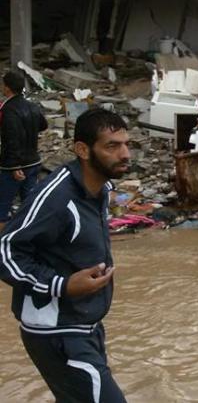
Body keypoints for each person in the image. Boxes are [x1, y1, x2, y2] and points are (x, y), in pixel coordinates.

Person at [0, 108, 130, 402]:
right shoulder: (56, 196)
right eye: (112, 146)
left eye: (126, 144)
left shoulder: (101, 189)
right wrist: (62, 285)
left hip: (86, 324)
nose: (124, 154)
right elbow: (5, 249)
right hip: (57, 331)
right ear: (83, 150)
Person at [0, 71, 48, 229]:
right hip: (33, 161)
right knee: (29, 203)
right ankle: (29, 235)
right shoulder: (31, 105)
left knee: (3, 204)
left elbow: (11, 139)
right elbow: (43, 125)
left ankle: (4, 241)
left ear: (7, 88)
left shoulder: (8, 110)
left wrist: (14, 166)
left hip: (15, 166)